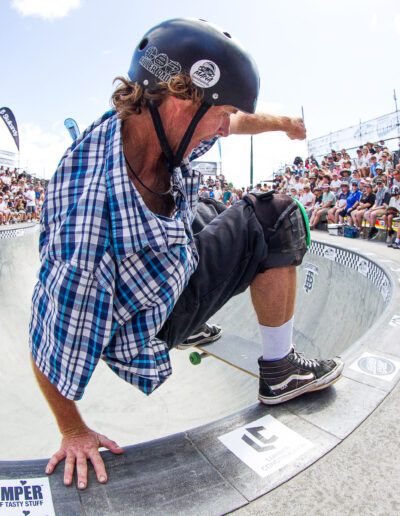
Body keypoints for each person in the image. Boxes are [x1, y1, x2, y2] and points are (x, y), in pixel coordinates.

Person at [29, 18, 343, 490]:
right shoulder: (91, 218)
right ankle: (280, 373)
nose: (220, 129)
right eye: (219, 115)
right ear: (182, 99)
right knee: (273, 215)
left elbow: (233, 123)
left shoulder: (154, 121)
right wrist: (72, 429)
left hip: (156, 263)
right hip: (148, 325)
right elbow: (50, 336)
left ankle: (193, 324)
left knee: (210, 207)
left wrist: (282, 124)